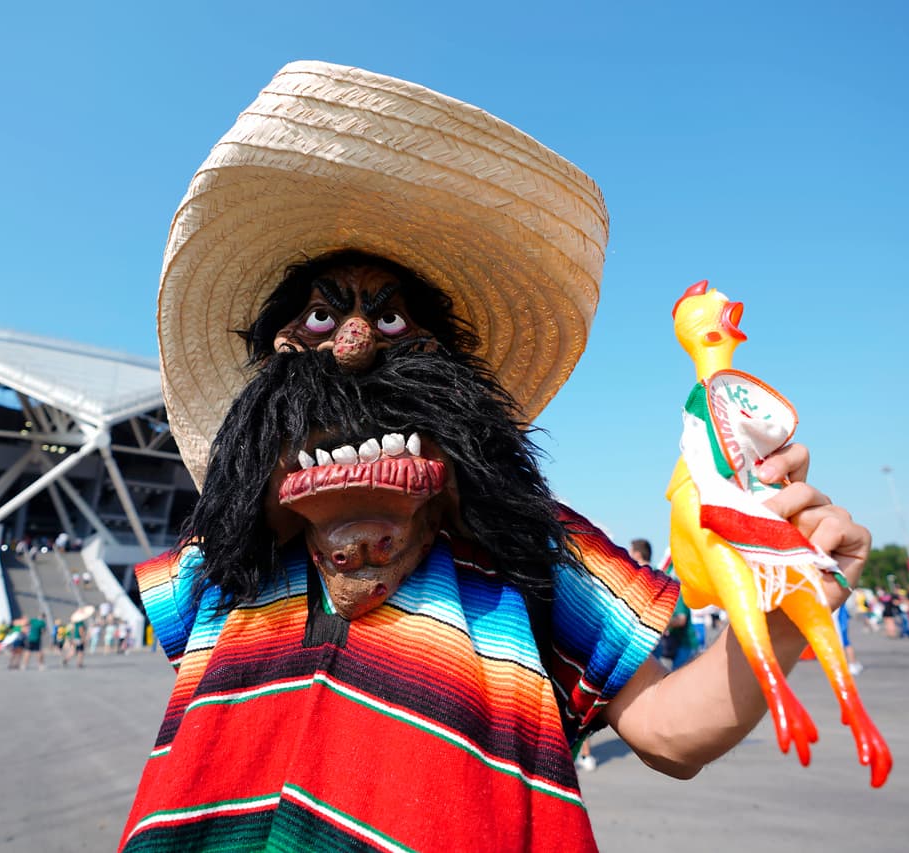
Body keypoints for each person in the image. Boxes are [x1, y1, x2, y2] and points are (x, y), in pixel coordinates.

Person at [119, 62, 870, 851]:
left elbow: (665, 734)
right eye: (319, 315)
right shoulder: (227, 562)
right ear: (275, 358)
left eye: (393, 319)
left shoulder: (533, 551)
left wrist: (784, 616)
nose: (354, 344)